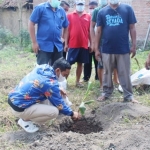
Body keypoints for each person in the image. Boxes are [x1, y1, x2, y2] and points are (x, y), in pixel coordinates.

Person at [8, 58, 80, 133]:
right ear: (58, 70)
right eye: (64, 75)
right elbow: (59, 104)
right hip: (19, 108)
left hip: (14, 99)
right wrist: (72, 113)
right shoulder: (50, 84)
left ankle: (27, 116)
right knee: (54, 112)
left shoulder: (44, 67)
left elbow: (42, 83)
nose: (65, 77)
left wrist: (58, 88)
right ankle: (25, 120)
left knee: (50, 97)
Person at [95, 0, 139, 103]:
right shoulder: (102, 12)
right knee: (107, 72)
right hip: (107, 48)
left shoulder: (127, 9)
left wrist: (134, 45)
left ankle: (128, 95)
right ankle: (106, 93)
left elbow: (132, 28)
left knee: (125, 72)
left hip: (123, 48)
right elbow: (98, 31)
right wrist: (96, 49)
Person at [29, 0, 69, 65]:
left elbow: (66, 26)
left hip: (58, 46)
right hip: (43, 46)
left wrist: (64, 39)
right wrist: (34, 42)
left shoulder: (61, 11)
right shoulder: (40, 8)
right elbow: (31, 23)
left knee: (57, 70)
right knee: (42, 70)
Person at [91, 0, 119, 89]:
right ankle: (102, 84)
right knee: (101, 63)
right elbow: (92, 26)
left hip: (114, 40)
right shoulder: (97, 11)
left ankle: (115, 79)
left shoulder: (114, 9)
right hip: (102, 41)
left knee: (115, 61)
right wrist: (94, 41)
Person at [67, 0, 91, 87]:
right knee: (68, 64)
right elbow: (67, 31)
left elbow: (89, 31)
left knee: (80, 64)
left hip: (84, 44)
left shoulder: (88, 16)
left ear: (84, 5)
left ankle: (77, 81)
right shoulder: (69, 16)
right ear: (75, 5)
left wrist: (91, 43)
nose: (80, 6)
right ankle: (64, 81)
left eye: (82, 4)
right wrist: (66, 43)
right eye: (78, 4)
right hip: (73, 44)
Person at [83, 1, 98, 82]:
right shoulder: (86, 16)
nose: (91, 10)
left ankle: (98, 77)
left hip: (98, 43)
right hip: (87, 43)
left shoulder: (100, 16)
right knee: (87, 61)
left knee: (97, 61)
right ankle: (86, 77)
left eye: (93, 8)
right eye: (90, 8)